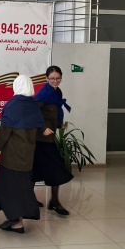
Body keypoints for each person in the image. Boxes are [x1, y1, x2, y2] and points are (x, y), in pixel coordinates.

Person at [0, 75, 43, 233]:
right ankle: (17, 221)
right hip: (27, 157)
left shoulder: (13, 105)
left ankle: (16, 221)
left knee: (6, 188)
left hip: (11, 158)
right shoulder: (34, 105)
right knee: (21, 189)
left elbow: (4, 134)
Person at [33, 65, 74, 215]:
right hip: (41, 139)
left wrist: (59, 124)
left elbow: (53, 112)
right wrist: (43, 127)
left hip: (48, 138)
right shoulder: (44, 94)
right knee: (56, 167)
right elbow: (34, 112)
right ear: (46, 78)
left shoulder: (56, 92)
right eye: (52, 79)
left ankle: (35, 200)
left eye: (58, 78)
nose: (55, 81)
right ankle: (54, 201)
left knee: (36, 168)